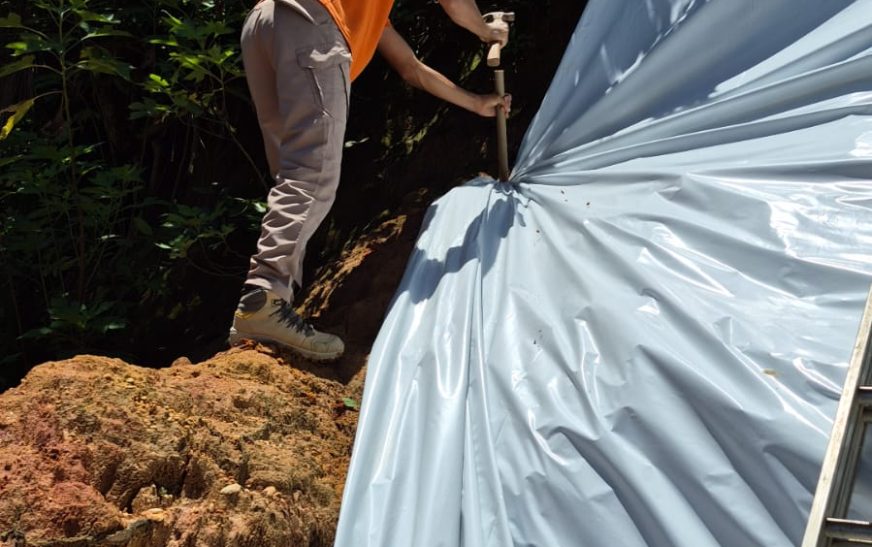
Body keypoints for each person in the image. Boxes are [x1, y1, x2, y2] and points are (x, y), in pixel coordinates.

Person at [228, 0, 510, 361]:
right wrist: (488, 31)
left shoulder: (366, 8)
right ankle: (264, 299)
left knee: (292, 172)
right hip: (311, 22)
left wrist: (475, 103)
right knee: (312, 176)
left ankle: (262, 306)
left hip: (264, 22)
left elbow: (411, 68)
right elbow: (456, 5)